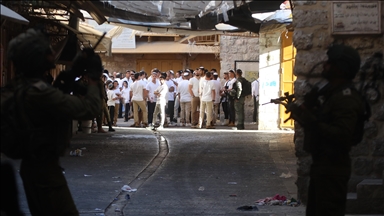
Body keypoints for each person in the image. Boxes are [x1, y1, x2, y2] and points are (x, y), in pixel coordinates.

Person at [4, 28, 103, 215]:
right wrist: (93, 78)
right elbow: (89, 109)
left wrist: (70, 76)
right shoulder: (39, 92)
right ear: (36, 57)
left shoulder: (19, 86)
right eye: (47, 52)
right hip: (45, 171)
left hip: (33, 166)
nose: (52, 54)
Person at [287, 44, 363, 216]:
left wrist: (312, 121)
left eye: (330, 63)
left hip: (333, 168)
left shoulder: (346, 98)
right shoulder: (331, 93)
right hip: (322, 166)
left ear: (341, 68)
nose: (325, 66)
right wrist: (302, 111)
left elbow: (342, 134)